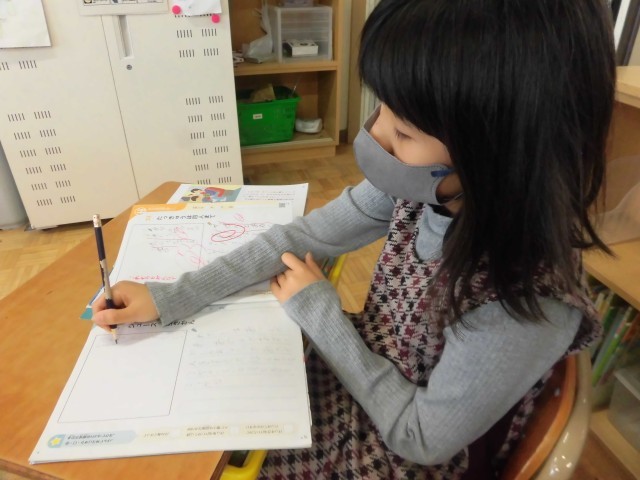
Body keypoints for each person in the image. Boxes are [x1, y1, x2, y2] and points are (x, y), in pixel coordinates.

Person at [93, 0, 616, 478]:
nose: (377, 136)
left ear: (499, 152)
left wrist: (322, 314)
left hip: (391, 451)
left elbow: (420, 439)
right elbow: (299, 236)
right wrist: (173, 296)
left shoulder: (523, 300)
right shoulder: (429, 184)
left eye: (404, 133)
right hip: (363, 373)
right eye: (381, 107)